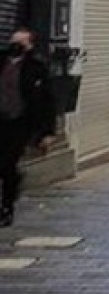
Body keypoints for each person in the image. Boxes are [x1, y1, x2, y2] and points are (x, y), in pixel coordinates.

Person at [0, 29, 56, 227]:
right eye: (13, 41)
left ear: (29, 46)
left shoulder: (36, 68)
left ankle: (7, 206)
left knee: (7, 164)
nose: (14, 45)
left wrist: (47, 132)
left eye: (20, 42)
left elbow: (47, 101)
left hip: (20, 124)